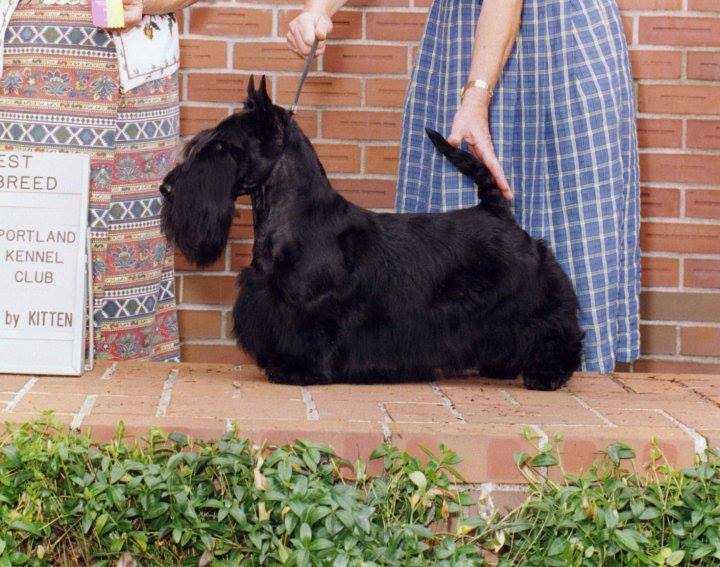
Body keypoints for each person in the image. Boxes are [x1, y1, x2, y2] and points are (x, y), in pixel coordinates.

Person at [287, 0, 640, 373]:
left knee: (567, 238)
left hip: (562, 44)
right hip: (464, 36)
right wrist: (318, 9)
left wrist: (476, 94)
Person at [0, 0, 197, 361]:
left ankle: (123, 392)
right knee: (23, 234)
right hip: (16, 69)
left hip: (131, 71)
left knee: (128, 240)